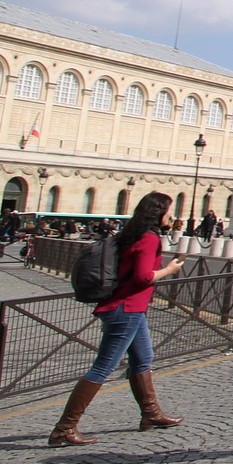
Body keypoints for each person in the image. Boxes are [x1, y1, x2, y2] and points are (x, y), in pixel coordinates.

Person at [47, 191, 187, 446]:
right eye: (170, 210)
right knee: (103, 366)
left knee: (143, 358)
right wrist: (170, 269)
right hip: (127, 309)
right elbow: (143, 277)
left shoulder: (131, 234)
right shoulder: (148, 238)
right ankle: (64, 428)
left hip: (129, 308)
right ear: (159, 213)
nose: (173, 215)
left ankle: (150, 414)